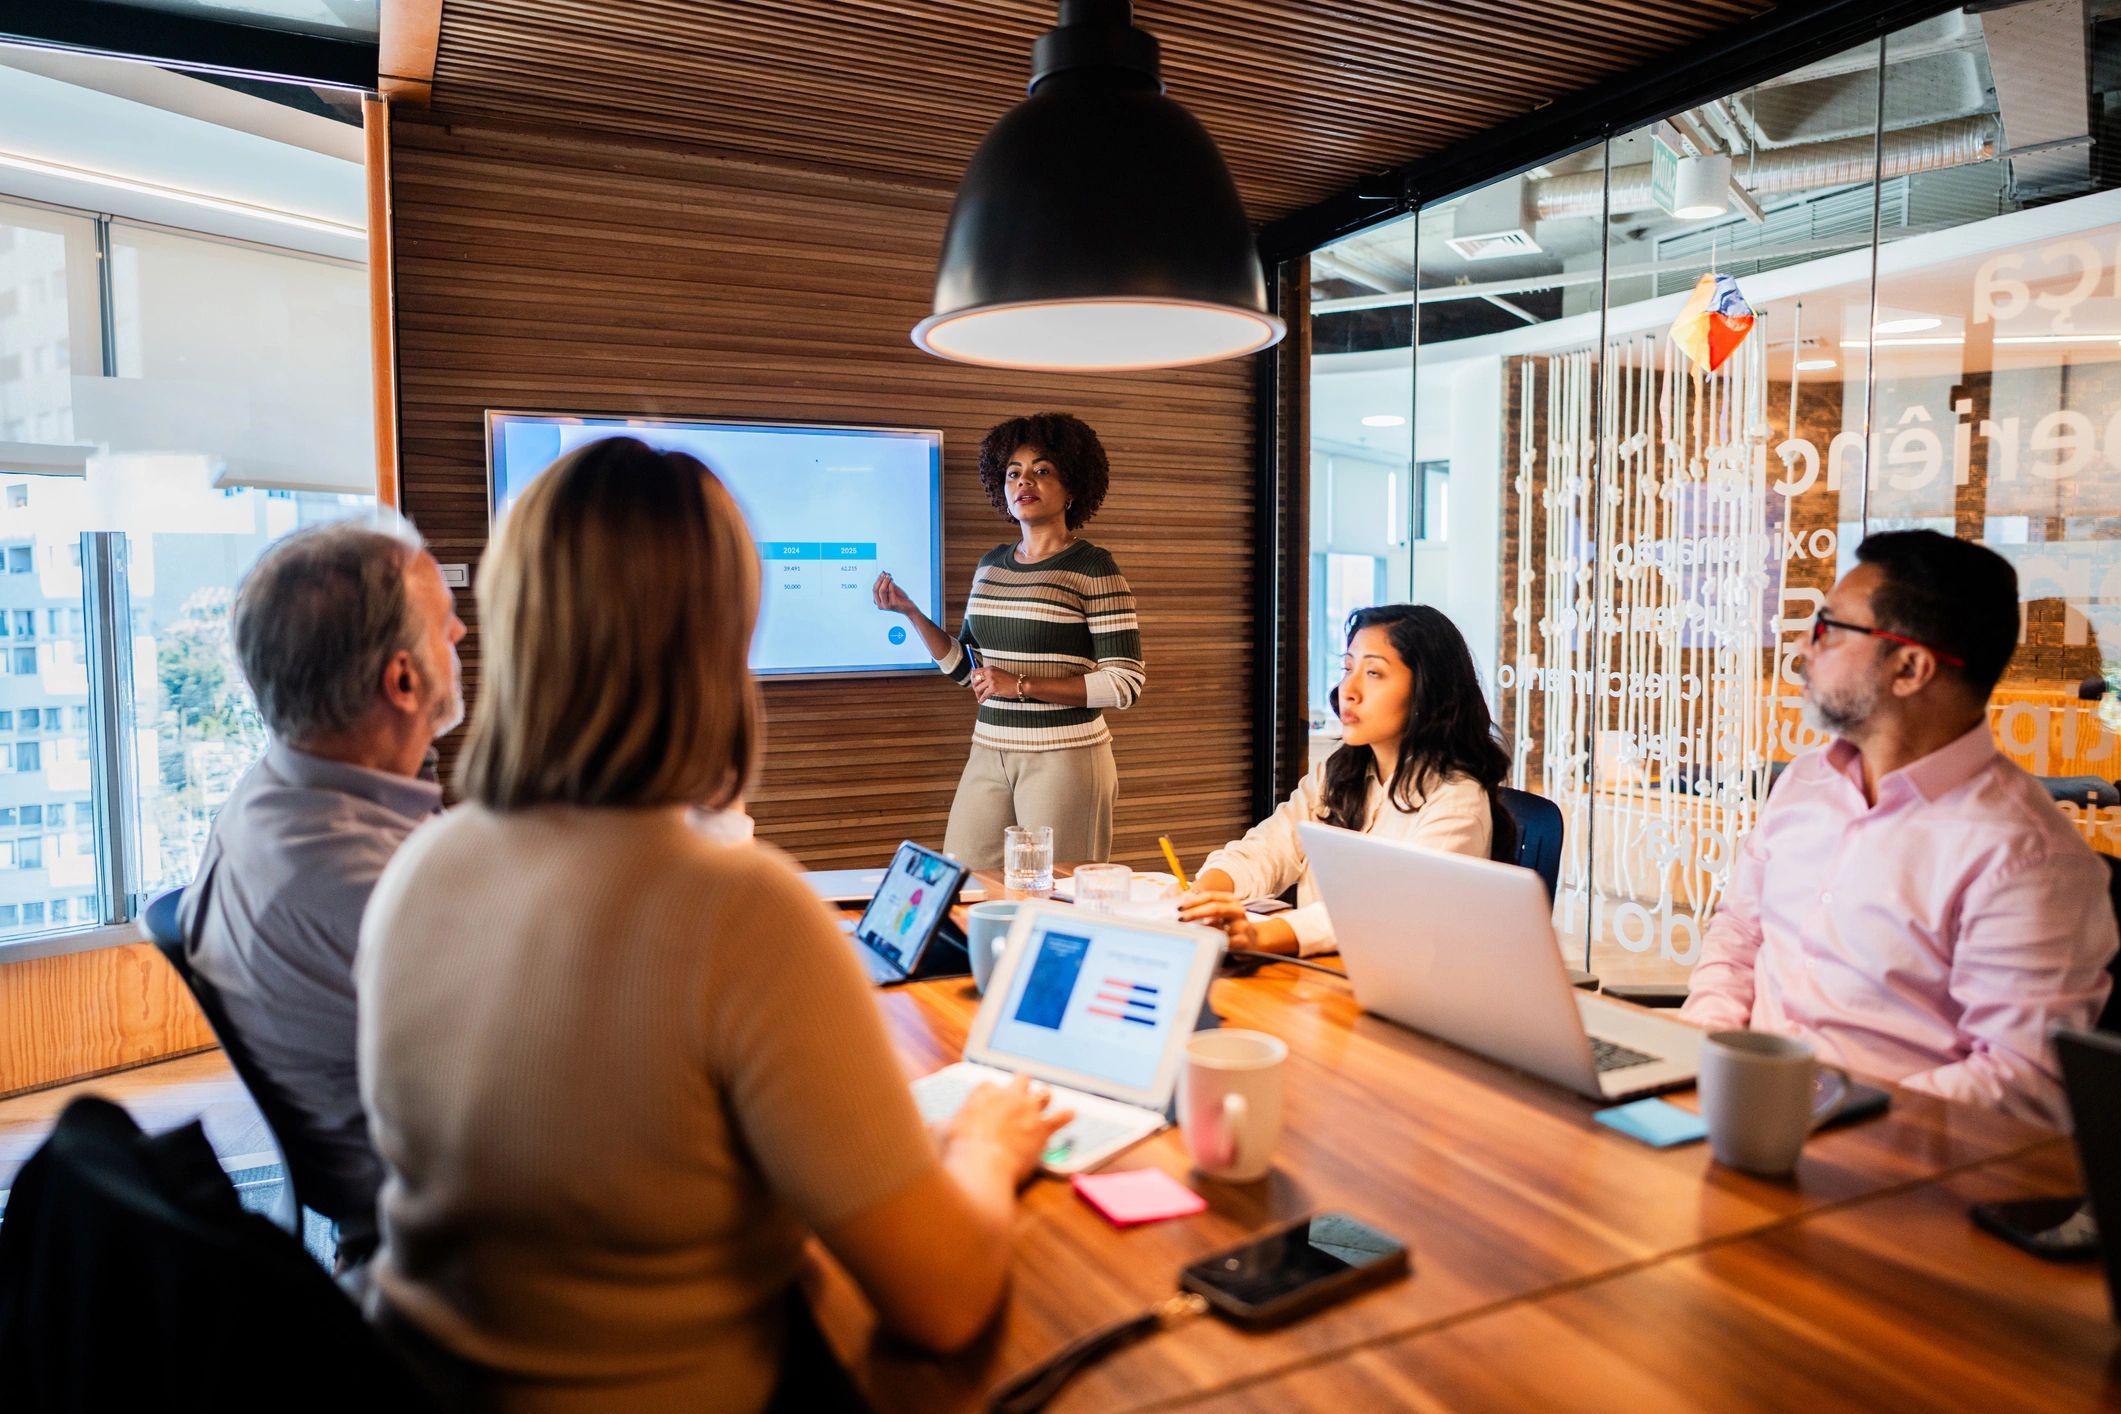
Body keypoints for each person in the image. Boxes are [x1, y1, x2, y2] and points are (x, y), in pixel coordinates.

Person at [356, 436, 1067, 1412]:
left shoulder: (418, 871)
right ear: (720, 638)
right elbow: (942, 1301)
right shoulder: (740, 912)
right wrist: (990, 1141)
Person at [1682, 530, 2117, 1128]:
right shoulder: (1806, 783)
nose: (1804, 653)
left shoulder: (2026, 857)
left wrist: (1827, 1116)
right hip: (1740, 1110)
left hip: (1888, 1166)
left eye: (1829, 631)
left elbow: (2020, 1078)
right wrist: (1703, 1051)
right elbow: (1738, 934)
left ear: (1910, 667)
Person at [179, 517, 464, 1259]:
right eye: (443, 623)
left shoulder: (272, 796)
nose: (461, 633)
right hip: (462, 1234)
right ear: (402, 680)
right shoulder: (373, 889)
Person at [873, 411, 1143, 867]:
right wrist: (911, 613)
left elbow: (1125, 684)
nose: (1024, 481)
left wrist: (1021, 685)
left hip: (1065, 757)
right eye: (1013, 472)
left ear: (1073, 486)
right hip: (989, 748)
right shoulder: (991, 565)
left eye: (1042, 470)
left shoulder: (1093, 567)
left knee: (1054, 895)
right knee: (963, 880)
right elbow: (969, 672)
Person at [1179, 604, 1515, 956]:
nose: (1348, 690)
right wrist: (1209, 892)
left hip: (1404, 990)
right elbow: (1269, 847)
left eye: (1374, 673)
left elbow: (1385, 912)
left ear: (1427, 691)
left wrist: (1261, 935)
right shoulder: (1339, 773)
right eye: (1348, 668)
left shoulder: (1456, 799)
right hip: (1326, 976)